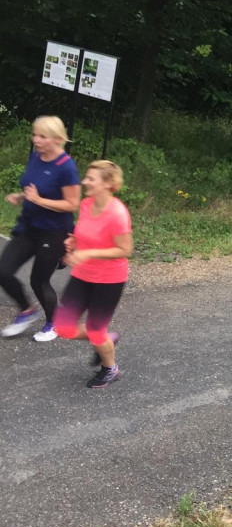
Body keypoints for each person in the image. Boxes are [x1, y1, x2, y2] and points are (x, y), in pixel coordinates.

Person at [1, 116, 81, 341]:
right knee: (3, 271)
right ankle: (27, 311)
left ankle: (53, 322)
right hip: (28, 227)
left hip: (53, 231)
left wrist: (38, 200)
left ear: (57, 139)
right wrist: (21, 196)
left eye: (42, 136)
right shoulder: (36, 155)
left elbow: (72, 204)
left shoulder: (66, 167)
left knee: (39, 280)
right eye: (34, 134)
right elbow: (34, 188)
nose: (35, 139)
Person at [53, 161, 132, 388]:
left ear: (107, 184)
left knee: (96, 330)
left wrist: (89, 253)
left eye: (91, 179)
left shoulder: (117, 213)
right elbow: (83, 233)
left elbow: (125, 250)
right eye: (86, 177)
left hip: (109, 280)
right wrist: (74, 241)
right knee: (63, 328)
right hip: (82, 275)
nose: (84, 182)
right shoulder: (87, 204)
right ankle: (107, 340)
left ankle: (110, 369)